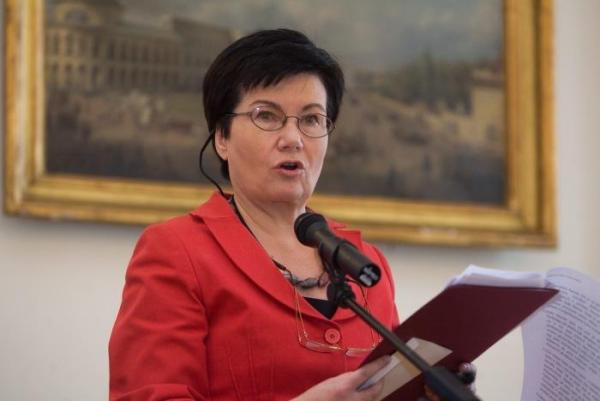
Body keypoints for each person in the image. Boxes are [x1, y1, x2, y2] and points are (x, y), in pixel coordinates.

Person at [109, 28, 472, 401]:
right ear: (222, 137)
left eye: (312, 119)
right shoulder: (177, 252)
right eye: (267, 115)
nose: (293, 139)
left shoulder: (365, 265)